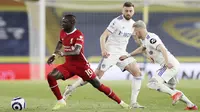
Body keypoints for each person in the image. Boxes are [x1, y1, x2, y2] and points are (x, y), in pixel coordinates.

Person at [63, 2, 145, 108]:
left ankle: (134, 103)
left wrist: (145, 49)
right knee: (96, 76)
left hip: (122, 54)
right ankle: (71, 88)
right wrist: (104, 50)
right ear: (122, 11)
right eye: (126, 11)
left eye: (130, 11)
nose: (128, 13)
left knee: (137, 73)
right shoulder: (116, 21)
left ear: (133, 11)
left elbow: (136, 38)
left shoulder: (133, 24)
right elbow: (103, 36)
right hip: (110, 52)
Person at [46, 14, 130, 110]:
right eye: (62, 21)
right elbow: (60, 42)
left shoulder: (78, 35)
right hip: (68, 65)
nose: (62, 24)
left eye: (65, 22)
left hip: (82, 66)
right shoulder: (62, 32)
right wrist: (54, 54)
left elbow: (77, 51)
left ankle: (121, 102)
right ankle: (61, 101)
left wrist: (62, 53)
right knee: (51, 76)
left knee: (99, 86)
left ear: (72, 23)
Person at [119, 20, 198, 110]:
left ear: (139, 30)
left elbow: (162, 49)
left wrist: (167, 62)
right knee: (170, 88)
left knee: (153, 83)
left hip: (169, 65)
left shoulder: (151, 38)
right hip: (172, 65)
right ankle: (191, 105)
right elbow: (142, 49)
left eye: (135, 32)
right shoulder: (145, 40)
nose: (135, 34)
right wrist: (128, 55)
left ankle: (175, 94)